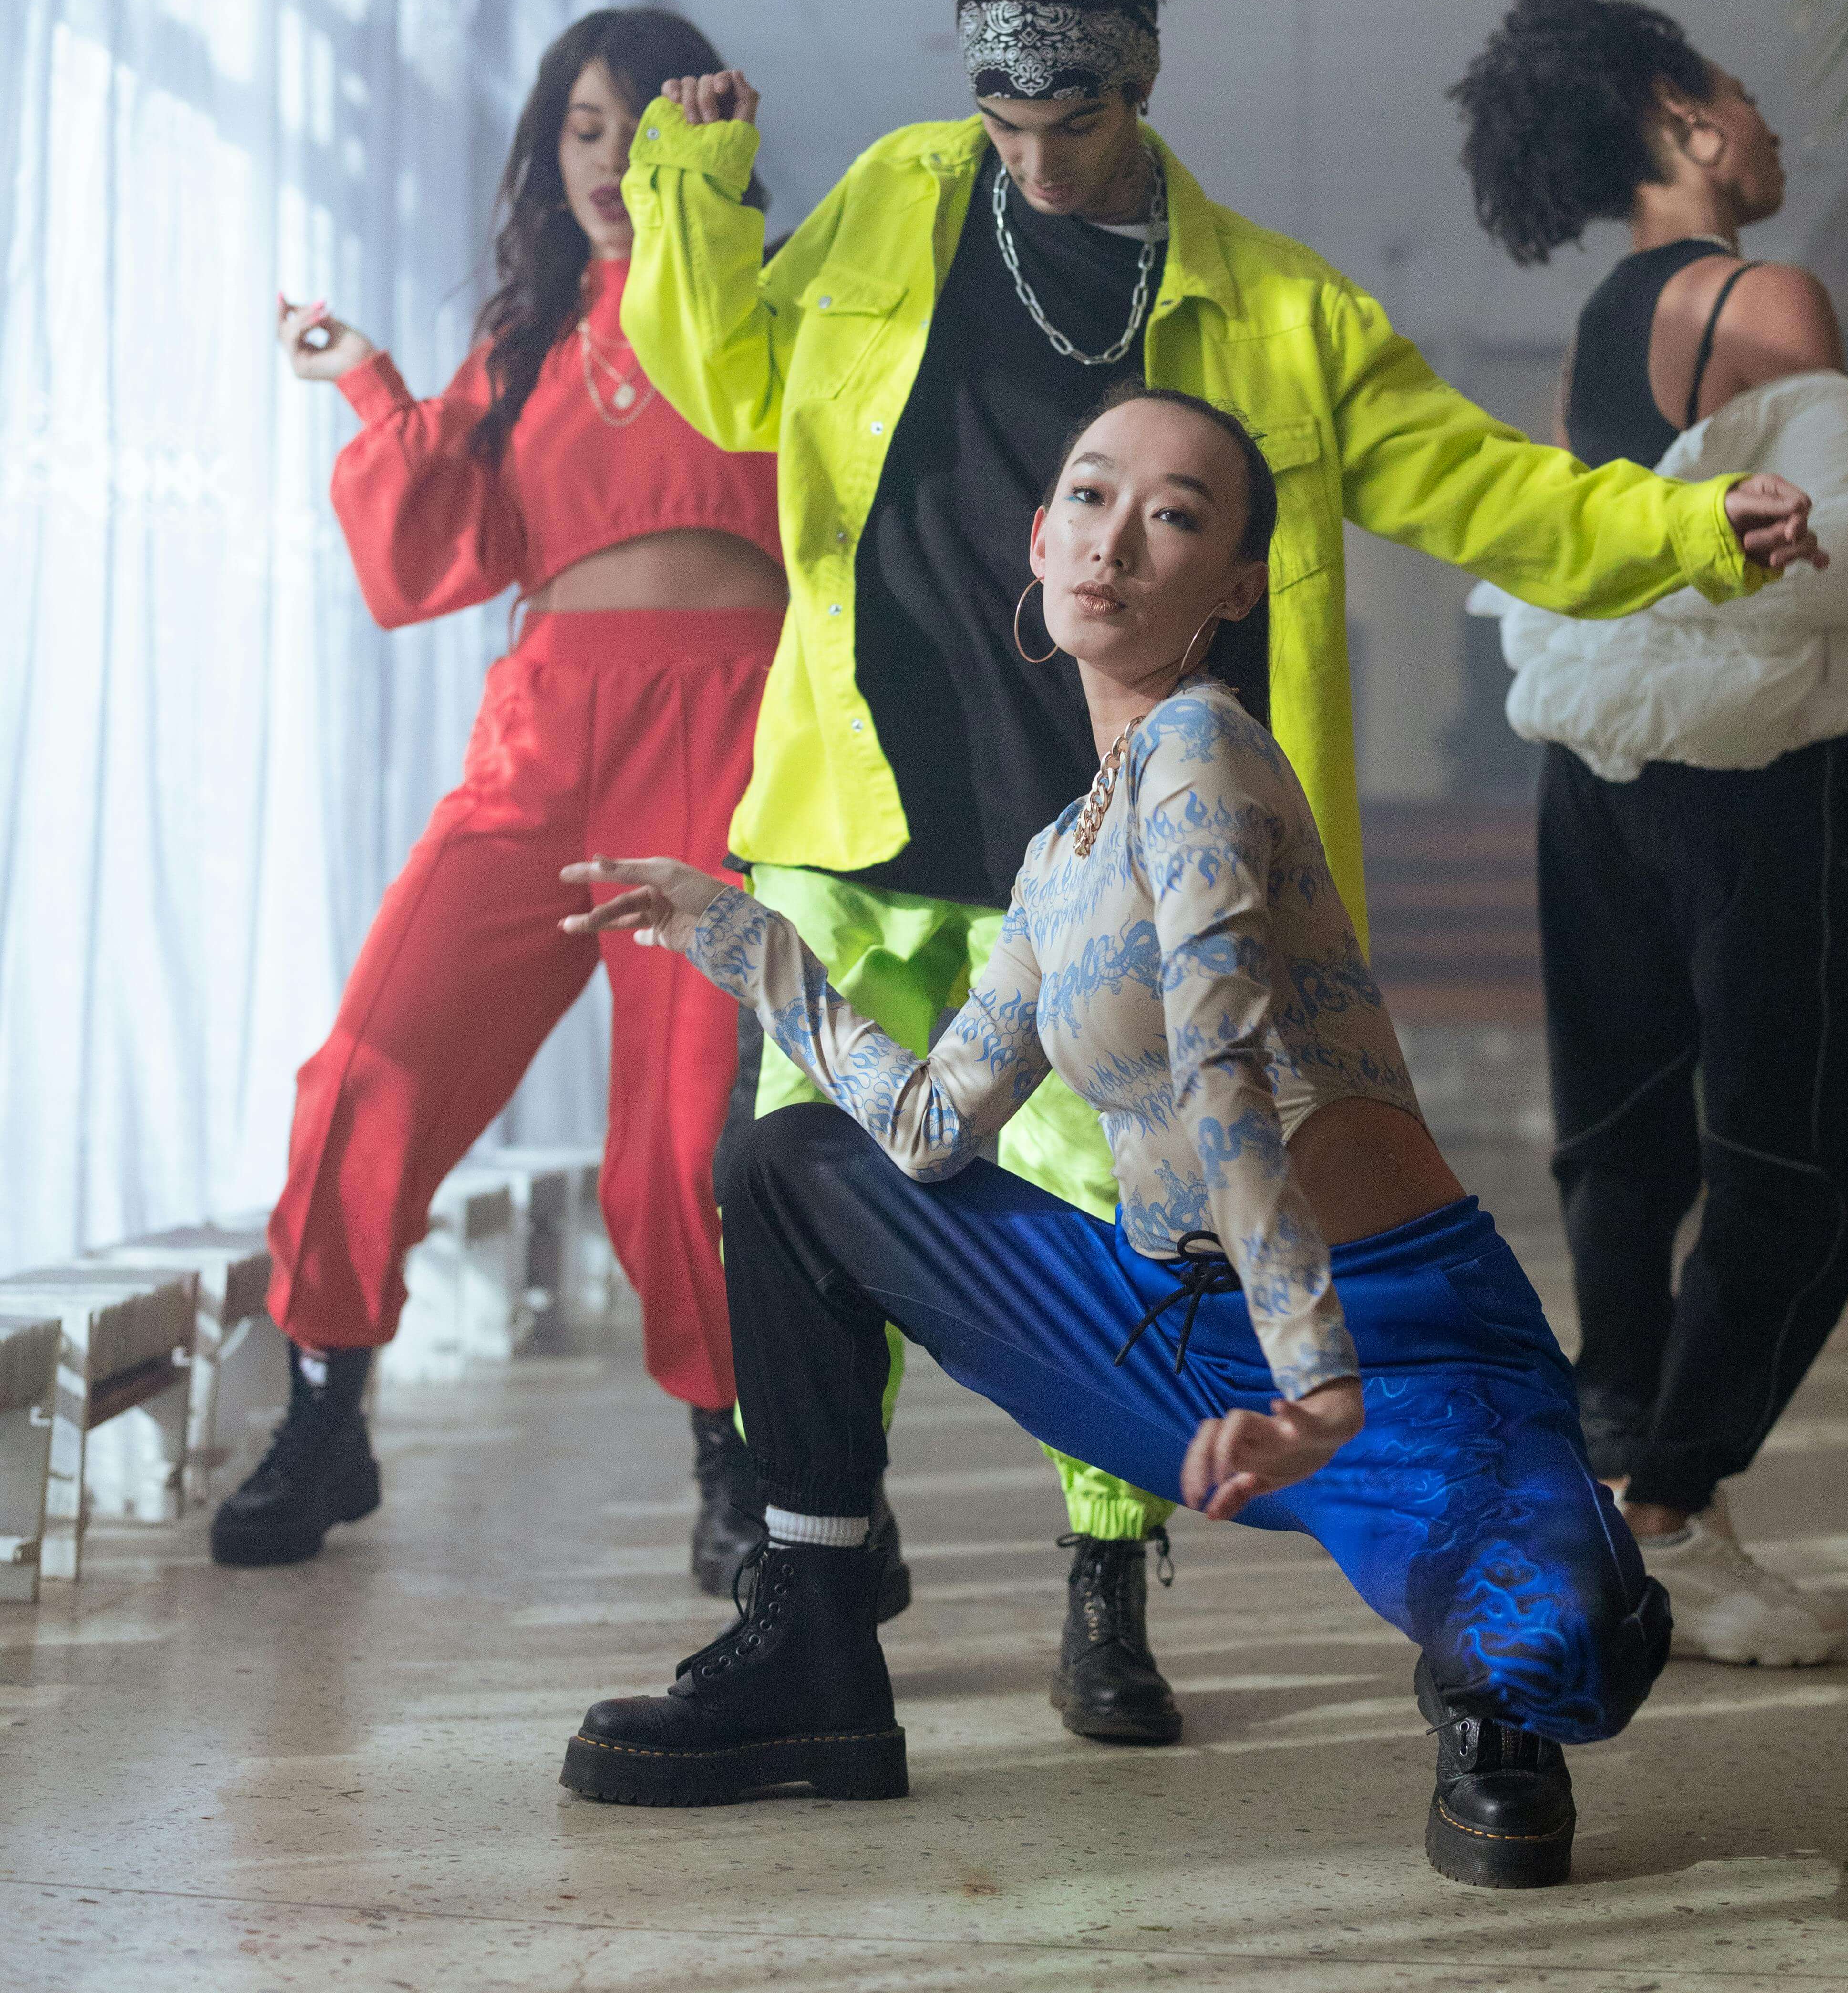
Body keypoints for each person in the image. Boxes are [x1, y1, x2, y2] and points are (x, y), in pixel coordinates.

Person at [617, 0, 1822, 1744]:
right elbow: (724, 381)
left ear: (1145, 77)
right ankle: (814, 1602)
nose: (1035, 159)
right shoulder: (891, 203)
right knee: (793, 1188)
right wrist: (691, 188)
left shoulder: (1278, 314)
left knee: (1124, 1210)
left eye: (1075, 119)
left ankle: (1108, 1587)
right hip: (860, 812)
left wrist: (1682, 527)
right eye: (1005, 119)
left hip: (1111, 858)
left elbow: (1488, 490)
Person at [552, 385, 1675, 1891]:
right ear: (1039, 540)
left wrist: (1319, 1392)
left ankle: (1492, 1677)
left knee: (1568, 1652)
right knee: (790, 1170)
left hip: (1389, 1340)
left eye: (1176, 515)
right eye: (1090, 498)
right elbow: (934, 1131)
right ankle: (813, 1641)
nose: (1117, 542)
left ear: (1237, 586)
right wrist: (742, 938)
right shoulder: (1058, 857)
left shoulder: (1204, 750)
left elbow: (1223, 1065)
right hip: (1168, 1327)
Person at [210, 7, 855, 1606]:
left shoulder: (780, 310)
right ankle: (325, 1409)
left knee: (682, 1143)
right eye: (582, 127)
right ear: (548, 150)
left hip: (727, 733)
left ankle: (733, 1465)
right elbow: (433, 539)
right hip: (547, 730)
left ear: (700, 141)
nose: (610, 159)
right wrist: (367, 380)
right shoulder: (525, 343)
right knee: (370, 1065)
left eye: (642, 125)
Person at [1452, 0, 1848, 1665]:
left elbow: (1604, 553)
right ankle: (1677, 1506)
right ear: (1683, 120)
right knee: (1793, 1160)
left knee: (1621, 1138)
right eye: (1741, 96)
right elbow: (1841, 552)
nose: (1769, 127)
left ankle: (1616, 1486)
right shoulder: (1769, 296)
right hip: (1754, 784)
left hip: (1592, 772)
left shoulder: (1595, 338)